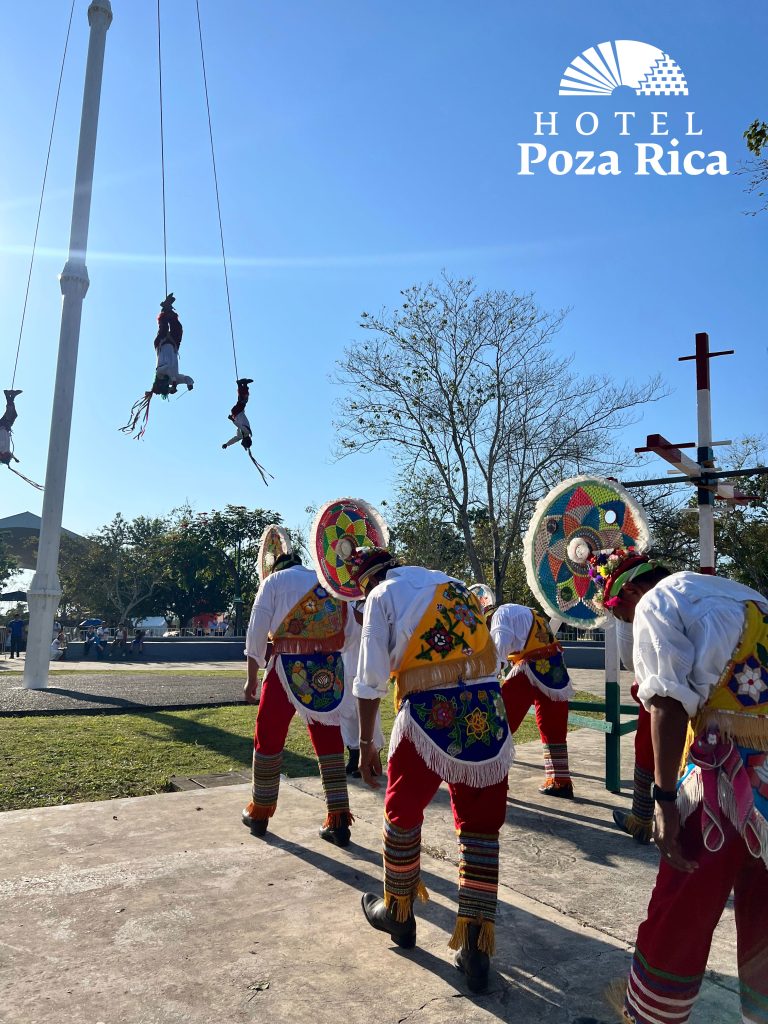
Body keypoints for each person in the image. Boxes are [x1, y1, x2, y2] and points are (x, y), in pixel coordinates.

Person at [586, 548, 768, 1024]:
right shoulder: (745, 595)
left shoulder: (656, 603)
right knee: (764, 912)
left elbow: (665, 703)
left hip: (721, 786)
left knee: (680, 911)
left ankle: (651, 1018)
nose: (627, 621)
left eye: (619, 613)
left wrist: (663, 801)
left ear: (626, 592)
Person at [352, 547, 512, 993]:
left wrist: (367, 743)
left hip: (429, 713)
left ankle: (398, 914)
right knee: (480, 829)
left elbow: (370, 680)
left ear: (370, 581)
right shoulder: (455, 584)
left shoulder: (383, 596)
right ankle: (477, 945)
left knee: (401, 812)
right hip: (486, 712)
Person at [242, 551, 354, 846]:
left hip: (284, 666)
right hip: (326, 671)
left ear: (275, 567)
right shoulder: (328, 583)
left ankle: (260, 813)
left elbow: (256, 632)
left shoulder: (273, 582)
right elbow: (350, 629)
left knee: (268, 735)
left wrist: (252, 677)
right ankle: (339, 820)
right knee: (329, 742)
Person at [488, 596, 575, 798]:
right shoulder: (523, 609)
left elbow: (499, 650)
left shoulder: (500, 615)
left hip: (529, 668)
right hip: (554, 668)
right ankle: (560, 780)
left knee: (500, 723)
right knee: (553, 725)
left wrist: (488, 677)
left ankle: (495, 782)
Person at [611, 619, 654, 844]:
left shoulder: (657, 603)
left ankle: (642, 820)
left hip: (665, 691)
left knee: (648, 749)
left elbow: (630, 661)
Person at [339, 600, 383, 777]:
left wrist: (349, 610)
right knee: (347, 713)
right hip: (345, 663)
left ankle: (374, 756)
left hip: (367, 665)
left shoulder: (374, 602)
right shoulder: (344, 603)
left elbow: (371, 624)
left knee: (368, 714)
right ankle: (354, 754)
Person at [222, 378, 254, 450]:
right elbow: (234, 440)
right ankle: (243, 384)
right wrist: (227, 444)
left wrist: (232, 420)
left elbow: (239, 425)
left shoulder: (245, 432)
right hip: (237, 412)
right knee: (242, 399)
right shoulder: (242, 435)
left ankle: (241, 384)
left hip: (237, 412)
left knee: (243, 399)